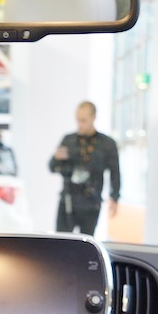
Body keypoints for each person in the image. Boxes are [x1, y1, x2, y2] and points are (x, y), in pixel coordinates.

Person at [49, 100, 120, 235]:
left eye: (83, 120)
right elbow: (51, 167)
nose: (80, 124)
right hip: (68, 201)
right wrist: (57, 158)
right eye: (77, 120)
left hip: (91, 203)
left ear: (93, 118)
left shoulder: (107, 144)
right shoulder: (68, 140)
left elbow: (115, 173)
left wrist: (115, 197)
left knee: (86, 245)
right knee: (61, 243)